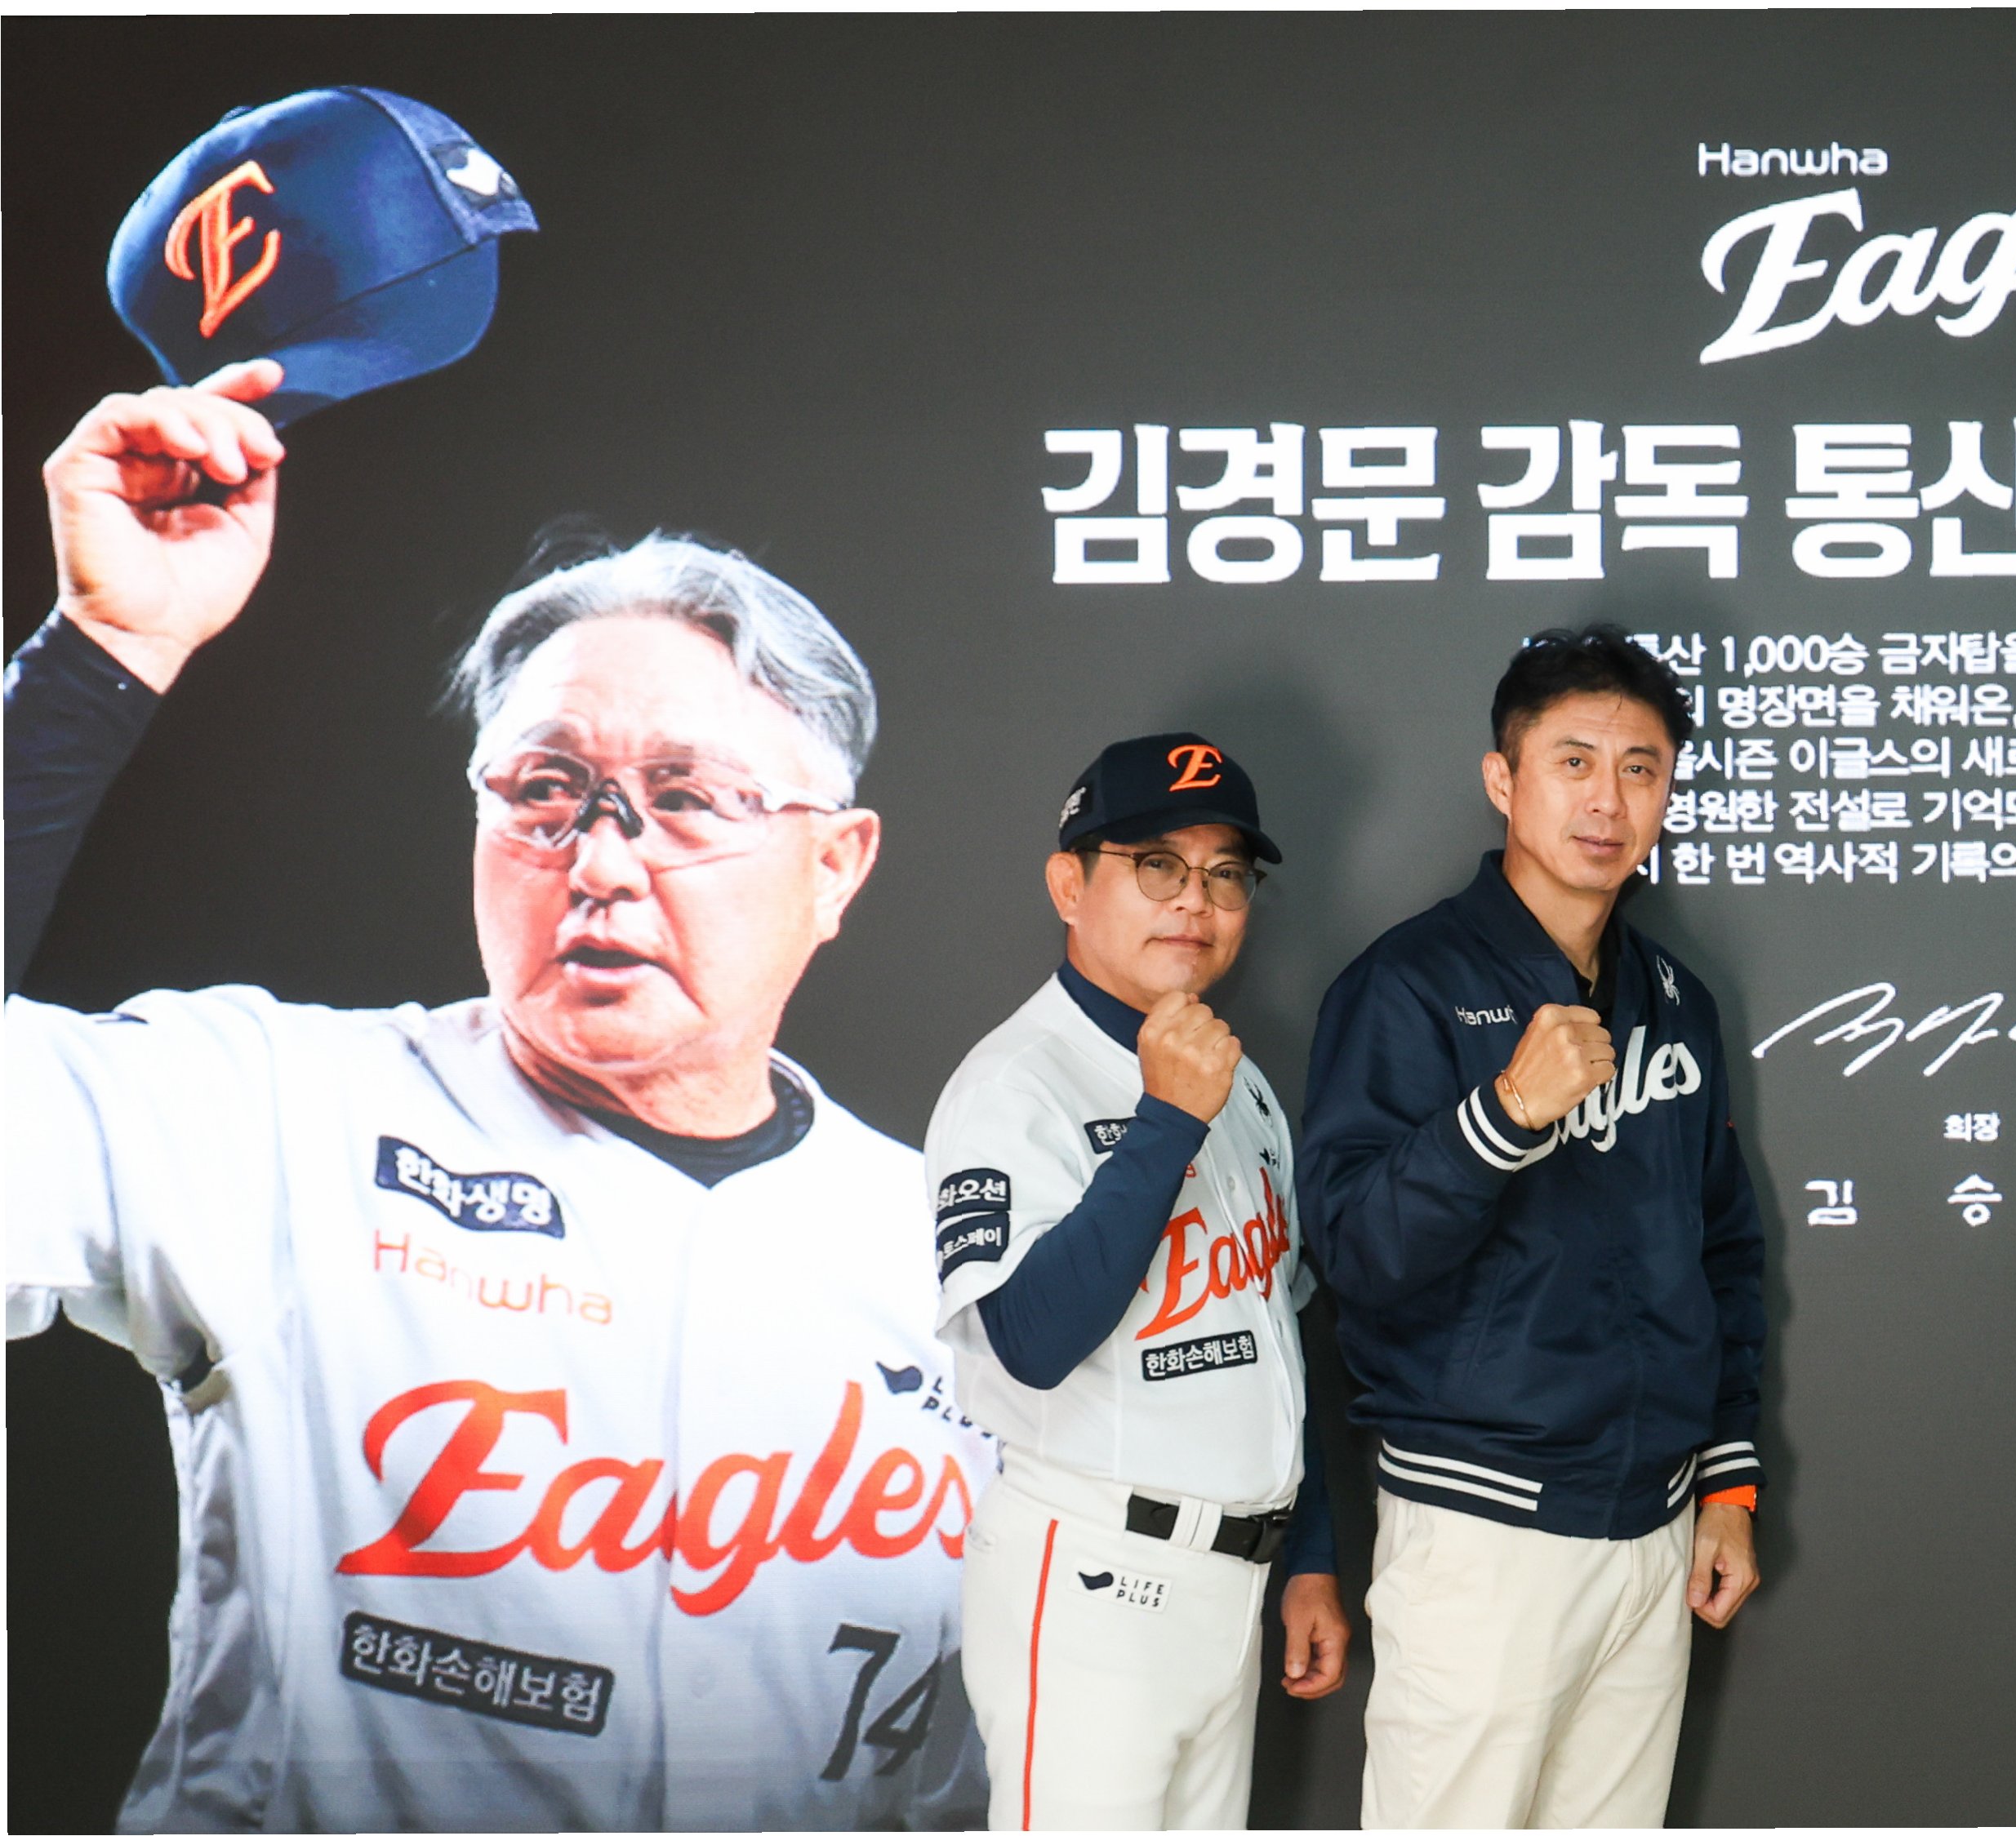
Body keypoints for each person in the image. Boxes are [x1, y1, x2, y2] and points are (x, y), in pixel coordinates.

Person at [3, 362, 992, 1830]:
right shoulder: (272, 1112)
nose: (599, 859)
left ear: (834, 866)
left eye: (688, 799)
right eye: (542, 790)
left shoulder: (950, 1251)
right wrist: (98, 657)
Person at [1298, 623, 1767, 1829]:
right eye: (1574, 762)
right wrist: (1502, 1114)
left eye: (1640, 767)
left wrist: (1726, 1477)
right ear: (1503, 779)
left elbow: (1722, 1248)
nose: (1608, 800)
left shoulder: (1676, 999)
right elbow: (1352, 1252)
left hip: (1656, 1525)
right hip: (1482, 1526)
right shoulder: (1407, 984)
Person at [928, 731, 1346, 1829]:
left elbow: (1274, 1340)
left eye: (1224, 873)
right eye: (1157, 864)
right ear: (1070, 885)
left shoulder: (1237, 1079)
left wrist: (1307, 1552)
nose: (1194, 900)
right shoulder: (1016, 1081)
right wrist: (1165, 1122)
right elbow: (1029, 1338)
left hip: (1232, 1578)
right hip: (1091, 1575)